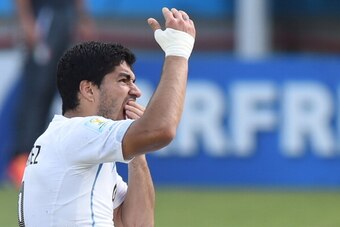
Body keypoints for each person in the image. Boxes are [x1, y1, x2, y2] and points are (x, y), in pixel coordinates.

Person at [18, 7, 196, 227]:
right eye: (124, 80)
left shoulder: (74, 142)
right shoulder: (80, 132)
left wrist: (137, 152)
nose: (136, 91)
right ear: (88, 90)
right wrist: (178, 51)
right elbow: (161, 130)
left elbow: (137, 224)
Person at [8, 0, 95, 187]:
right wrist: (27, 22)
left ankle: (45, 160)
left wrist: (82, 17)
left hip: (66, 14)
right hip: (45, 14)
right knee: (37, 89)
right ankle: (22, 159)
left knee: (61, 88)